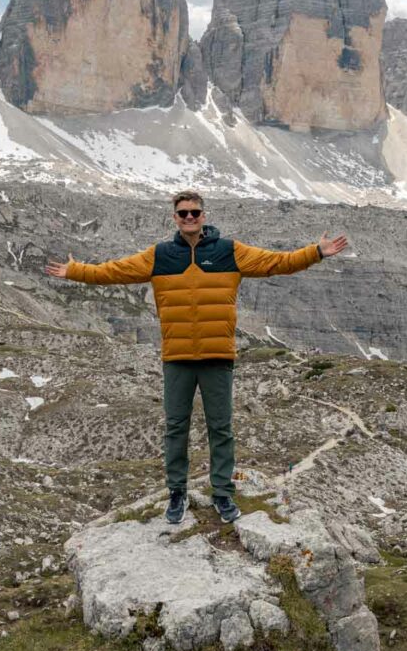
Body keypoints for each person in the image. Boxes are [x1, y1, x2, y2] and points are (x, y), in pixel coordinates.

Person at [45, 190, 348, 525]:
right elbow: (114, 271)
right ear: (174, 218)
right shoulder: (160, 255)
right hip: (177, 357)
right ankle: (177, 493)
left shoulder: (229, 251)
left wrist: (315, 252)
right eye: (183, 213)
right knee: (176, 427)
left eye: (194, 212)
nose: (189, 217)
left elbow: (276, 262)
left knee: (221, 428)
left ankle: (222, 493)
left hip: (218, 355)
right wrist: (76, 271)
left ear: (204, 216)